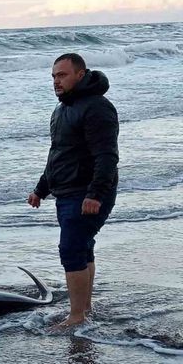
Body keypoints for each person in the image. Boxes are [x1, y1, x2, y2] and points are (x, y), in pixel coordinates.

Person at [27, 53, 119, 328]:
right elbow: (58, 154)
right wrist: (40, 189)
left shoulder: (97, 108)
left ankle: (76, 316)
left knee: (71, 249)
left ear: (80, 74)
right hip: (67, 192)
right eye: (54, 76)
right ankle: (85, 310)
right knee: (82, 248)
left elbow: (107, 156)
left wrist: (95, 194)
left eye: (62, 75)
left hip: (87, 193)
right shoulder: (62, 109)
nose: (56, 81)